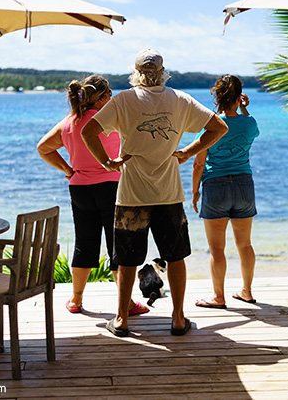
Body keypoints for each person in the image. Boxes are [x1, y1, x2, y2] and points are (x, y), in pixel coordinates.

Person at [81, 49, 228, 337]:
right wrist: (188, 151)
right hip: (169, 194)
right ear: (163, 72)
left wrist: (107, 162)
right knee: (175, 257)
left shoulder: (123, 100)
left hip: (132, 195)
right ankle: (177, 317)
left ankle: (121, 319)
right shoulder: (180, 99)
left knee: (127, 259)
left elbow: (88, 132)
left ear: (135, 72)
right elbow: (218, 127)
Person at [37, 74, 149, 316]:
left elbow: (43, 147)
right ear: (102, 98)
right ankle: (126, 303)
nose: (112, 100)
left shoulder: (69, 121)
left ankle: (76, 300)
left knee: (84, 243)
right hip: (111, 187)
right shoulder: (109, 121)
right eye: (109, 96)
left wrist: (68, 169)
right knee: (117, 244)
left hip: (79, 189)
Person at [192, 74, 260, 309]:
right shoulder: (250, 123)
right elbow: (248, 128)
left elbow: (199, 162)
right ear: (239, 96)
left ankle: (219, 297)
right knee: (245, 244)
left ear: (218, 96)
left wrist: (194, 192)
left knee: (217, 249)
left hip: (216, 185)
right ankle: (247, 292)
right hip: (244, 184)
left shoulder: (212, 126)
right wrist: (244, 110)